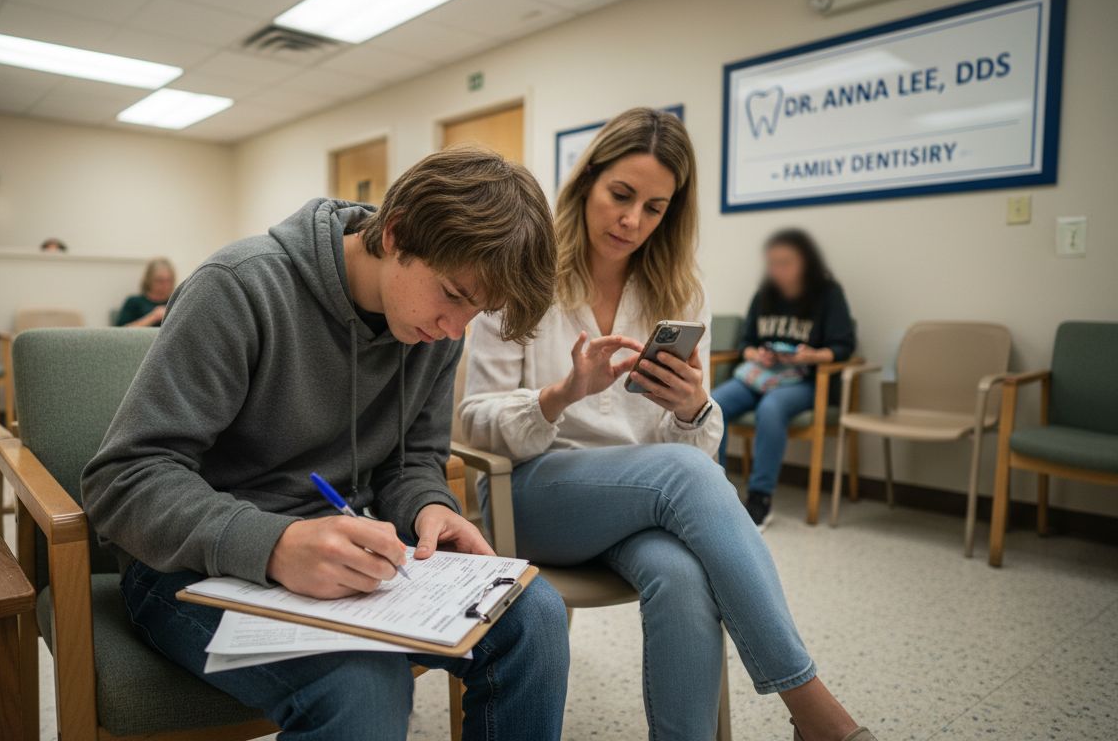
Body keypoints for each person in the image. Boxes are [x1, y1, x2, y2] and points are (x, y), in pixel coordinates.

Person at [82, 147, 570, 740]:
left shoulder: (435, 331)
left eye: (478, 310)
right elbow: (123, 479)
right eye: (451, 294)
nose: (454, 330)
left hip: (345, 558)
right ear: (395, 234)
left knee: (535, 614)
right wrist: (275, 544)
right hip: (190, 566)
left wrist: (430, 507)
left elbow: (411, 459)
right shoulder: (238, 289)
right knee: (361, 685)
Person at [459, 109, 874, 741]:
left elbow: (691, 451)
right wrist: (562, 393)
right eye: (620, 196)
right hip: (531, 494)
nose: (631, 221)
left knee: (681, 575)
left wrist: (689, 410)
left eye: (654, 208)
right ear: (586, 183)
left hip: (639, 501)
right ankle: (810, 705)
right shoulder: (521, 273)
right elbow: (474, 423)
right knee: (679, 475)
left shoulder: (677, 291)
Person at [713, 229, 856, 528]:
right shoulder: (764, 294)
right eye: (773, 263)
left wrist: (811, 356)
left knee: (772, 408)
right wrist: (755, 354)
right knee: (714, 405)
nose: (778, 270)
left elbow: (843, 347)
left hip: (803, 380)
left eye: (786, 262)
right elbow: (746, 342)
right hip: (760, 374)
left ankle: (760, 498)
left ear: (806, 262)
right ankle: (715, 491)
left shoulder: (828, 294)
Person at [115, 257, 175, 327]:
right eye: (160, 281)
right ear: (149, 280)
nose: (165, 285)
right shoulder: (134, 302)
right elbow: (120, 332)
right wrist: (153, 317)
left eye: (168, 281)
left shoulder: (175, 302)